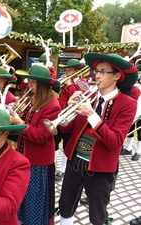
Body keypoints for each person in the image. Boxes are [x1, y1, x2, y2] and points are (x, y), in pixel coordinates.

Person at [58, 53, 138, 225]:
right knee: (65, 204)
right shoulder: (89, 96)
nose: (97, 75)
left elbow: (115, 141)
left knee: (97, 213)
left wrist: (91, 115)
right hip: (75, 160)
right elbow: (64, 128)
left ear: (116, 76)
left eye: (103, 71)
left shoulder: (128, 103)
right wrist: (68, 109)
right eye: (96, 71)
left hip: (101, 167)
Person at [11, 64, 61, 225]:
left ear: (42, 85)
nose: (29, 85)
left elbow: (40, 135)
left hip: (38, 163)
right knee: (22, 196)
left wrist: (19, 123)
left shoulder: (52, 105)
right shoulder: (34, 100)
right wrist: (16, 111)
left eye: (32, 82)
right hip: (25, 155)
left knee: (34, 201)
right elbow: (28, 120)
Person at [55, 58, 88, 181]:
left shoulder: (82, 83)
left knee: (67, 144)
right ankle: (53, 165)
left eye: (69, 70)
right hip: (59, 117)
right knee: (54, 142)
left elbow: (77, 100)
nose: (66, 72)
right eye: (66, 70)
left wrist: (69, 85)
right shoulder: (65, 81)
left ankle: (62, 169)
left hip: (72, 120)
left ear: (76, 71)